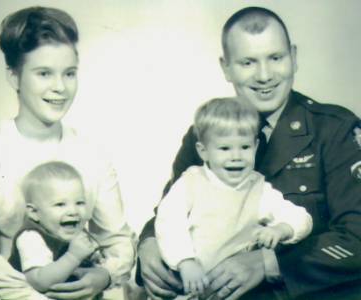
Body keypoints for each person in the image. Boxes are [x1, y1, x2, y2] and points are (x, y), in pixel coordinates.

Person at [137, 6, 361, 300]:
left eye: (276, 58)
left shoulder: (335, 130)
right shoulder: (203, 134)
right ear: (226, 67)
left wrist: (270, 264)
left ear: (294, 58)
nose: (264, 75)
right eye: (247, 62)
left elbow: (357, 236)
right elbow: (172, 208)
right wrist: (148, 245)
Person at [0, 6, 134, 300]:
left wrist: (104, 276)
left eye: (69, 74)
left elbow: (118, 241)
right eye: (44, 73)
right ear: (14, 77)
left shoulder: (92, 155)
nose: (59, 88)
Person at [155, 97, 312, 299]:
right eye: (225, 148)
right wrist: (185, 261)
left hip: (236, 290)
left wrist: (281, 229)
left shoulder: (259, 189)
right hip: (189, 283)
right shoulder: (190, 183)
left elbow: (301, 218)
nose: (236, 156)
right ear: (203, 151)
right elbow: (169, 223)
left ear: (255, 147)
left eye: (245, 147)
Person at [9, 161, 102, 297]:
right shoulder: (31, 238)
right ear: (34, 212)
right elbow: (39, 282)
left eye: (79, 202)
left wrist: (94, 259)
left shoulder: (76, 231)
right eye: (60, 204)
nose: (73, 211)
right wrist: (73, 256)